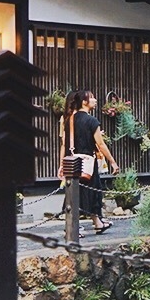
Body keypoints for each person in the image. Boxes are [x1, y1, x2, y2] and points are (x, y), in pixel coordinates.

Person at [65, 90, 117, 234]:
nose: (95, 100)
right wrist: (112, 162)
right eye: (92, 98)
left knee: (74, 191)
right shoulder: (92, 121)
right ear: (84, 102)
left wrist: (61, 164)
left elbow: (65, 143)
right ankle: (77, 227)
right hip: (87, 162)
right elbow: (101, 144)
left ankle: (96, 222)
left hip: (72, 163)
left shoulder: (69, 120)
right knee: (93, 191)